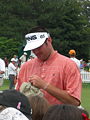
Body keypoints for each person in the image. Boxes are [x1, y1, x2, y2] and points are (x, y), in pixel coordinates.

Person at [16, 26, 82, 106]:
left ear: (49, 40)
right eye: (32, 48)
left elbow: (74, 101)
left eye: (38, 47)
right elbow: (18, 97)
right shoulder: (26, 67)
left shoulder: (68, 65)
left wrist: (45, 85)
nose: (36, 51)